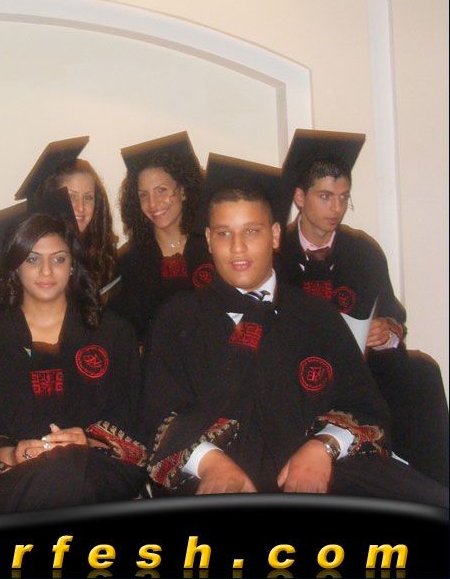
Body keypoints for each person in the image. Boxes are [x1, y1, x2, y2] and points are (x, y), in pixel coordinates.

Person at [142, 153, 447, 507]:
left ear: (274, 235)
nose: (237, 248)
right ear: (209, 240)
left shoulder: (318, 316)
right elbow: (157, 415)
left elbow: (365, 406)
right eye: (224, 234)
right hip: (217, 479)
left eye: (251, 231)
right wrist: (210, 464)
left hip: (326, 473)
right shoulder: (177, 320)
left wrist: (323, 448)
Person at [276, 129, 449, 486]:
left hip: (360, 371)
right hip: (299, 375)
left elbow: (394, 315)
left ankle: (437, 484)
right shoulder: (277, 255)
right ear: (300, 197)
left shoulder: (363, 252)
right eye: (325, 197)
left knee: (421, 374)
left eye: (343, 198)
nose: (336, 209)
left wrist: (386, 331)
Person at [0, 213, 147, 515]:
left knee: (67, 472)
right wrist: (12, 453)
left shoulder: (113, 333)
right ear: (15, 265)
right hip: (14, 477)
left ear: (73, 265)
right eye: (33, 259)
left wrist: (87, 440)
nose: (46, 271)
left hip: (98, 467)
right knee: (57, 478)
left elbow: (133, 416)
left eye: (59, 259)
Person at [108, 131, 214, 343]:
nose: (153, 204)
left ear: (183, 191)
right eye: (143, 195)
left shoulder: (213, 248)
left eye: (162, 190)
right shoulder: (129, 261)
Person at [14, 136, 118, 293]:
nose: (80, 207)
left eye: (88, 198)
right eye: (72, 197)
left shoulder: (103, 256)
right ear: (53, 198)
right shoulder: (25, 251)